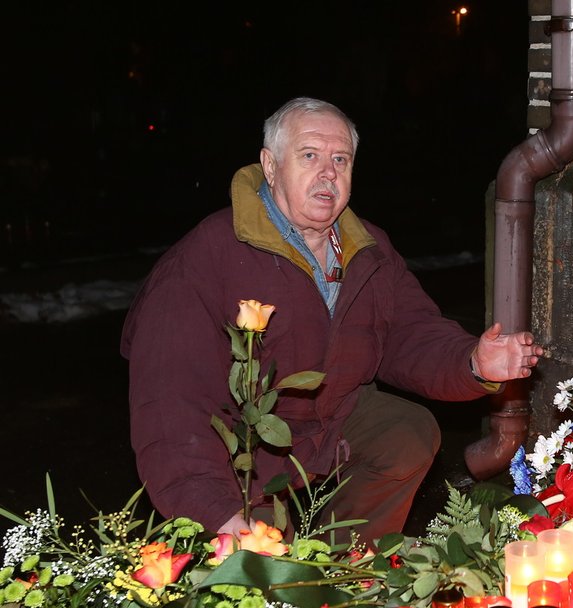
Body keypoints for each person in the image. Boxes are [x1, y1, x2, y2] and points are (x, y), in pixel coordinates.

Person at [121, 97, 542, 544]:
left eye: (340, 159)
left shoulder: (367, 248)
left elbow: (408, 331)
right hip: (246, 447)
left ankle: (346, 566)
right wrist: (216, 513)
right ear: (270, 165)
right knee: (263, 575)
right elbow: (171, 406)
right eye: (309, 156)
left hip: (332, 416)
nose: (328, 173)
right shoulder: (205, 259)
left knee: (406, 433)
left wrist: (472, 362)